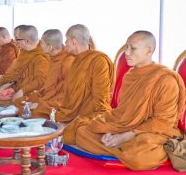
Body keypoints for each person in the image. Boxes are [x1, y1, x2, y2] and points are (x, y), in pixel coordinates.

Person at [75, 31, 185, 170]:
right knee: (82, 132)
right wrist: (112, 130)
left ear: (148, 50)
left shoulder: (165, 80)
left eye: (132, 48)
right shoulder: (130, 75)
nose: (126, 52)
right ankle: (120, 150)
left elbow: (163, 122)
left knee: (139, 156)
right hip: (124, 126)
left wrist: (126, 136)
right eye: (126, 47)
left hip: (151, 132)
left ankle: (121, 150)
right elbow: (123, 113)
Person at [50, 24, 114, 144]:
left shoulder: (99, 61)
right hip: (74, 113)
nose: (65, 44)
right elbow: (72, 97)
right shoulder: (76, 61)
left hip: (93, 113)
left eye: (66, 40)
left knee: (76, 132)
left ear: (74, 41)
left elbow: (100, 100)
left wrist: (74, 121)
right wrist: (68, 117)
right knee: (49, 121)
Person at [13, 29, 75, 118]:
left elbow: (67, 94)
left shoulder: (68, 62)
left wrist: (41, 104)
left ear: (50, 47)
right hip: (46, 96)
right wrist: (36, 98)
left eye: (42, 43)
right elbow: (48, 86)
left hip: (58, 102)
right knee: (18, 102)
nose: (39, 45)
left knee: (33, 111)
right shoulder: (52, 58)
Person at [0, 25, 49, 101]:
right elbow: (17, 73)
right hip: (18, 87)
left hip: (31, 94)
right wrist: (9, 83)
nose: (14, 41)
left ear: (26, 41)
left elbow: (41, 81)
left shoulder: (41, 57)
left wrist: (22, 91)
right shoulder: (24, 52)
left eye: (17, 39)